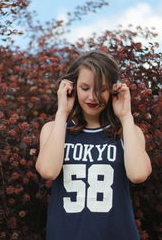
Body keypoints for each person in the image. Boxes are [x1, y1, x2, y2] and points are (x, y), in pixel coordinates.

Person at [35, 50, 152, 240]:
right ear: (72, 88)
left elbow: (138, 175)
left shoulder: (128, 132)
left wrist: (125, 115)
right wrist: (62, 113)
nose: (93, 97)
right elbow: (48, 171)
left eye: (101, 89)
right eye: (85, 88)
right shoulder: (53, 129)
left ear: (113, 90)